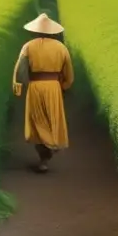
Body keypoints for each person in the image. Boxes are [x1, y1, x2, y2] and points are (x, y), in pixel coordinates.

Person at [12, 12, 75, 173]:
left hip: (36, 86)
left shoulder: (28, 46)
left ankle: (45, 156)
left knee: (37, 121)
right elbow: (68, 72)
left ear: (35, 31)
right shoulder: (61, 48)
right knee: (51, 119)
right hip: (54, 87)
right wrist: (65, 85)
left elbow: (21, 70)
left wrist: (20, 86)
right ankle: (51, 146)